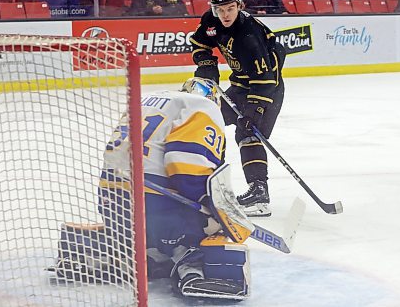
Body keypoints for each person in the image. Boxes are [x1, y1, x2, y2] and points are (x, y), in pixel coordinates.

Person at [50, 78, 254, 300]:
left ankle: (123, 254)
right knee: (214, 225)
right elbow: (186, 167)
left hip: (111, 201)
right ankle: (192, 268)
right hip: (157, 206)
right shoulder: (203, 106)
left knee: (147, 231)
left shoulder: (150, 100)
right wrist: (216, 208)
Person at [189, 0, 286, 217]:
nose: (225, 14)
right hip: (240, 86)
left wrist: (255, 110)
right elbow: (199, 43)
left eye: (230, 8)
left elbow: (265, 77)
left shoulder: (249, 34)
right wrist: (207, 65)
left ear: (239, 5)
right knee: (210, 121)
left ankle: (259, 193)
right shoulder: (211, 21)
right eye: (220, 9)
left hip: (268, 89)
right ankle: (204, 183)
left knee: (247, 133)